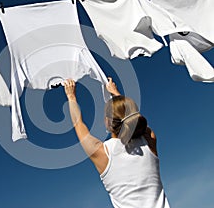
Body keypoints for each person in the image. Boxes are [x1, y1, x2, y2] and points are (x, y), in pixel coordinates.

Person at [63, 78, 170, 208]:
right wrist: (115, 93)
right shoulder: (148, 139)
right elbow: (134, 117)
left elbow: (78, 124)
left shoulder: (102, 153)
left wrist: (71, 96)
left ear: (108, 123)